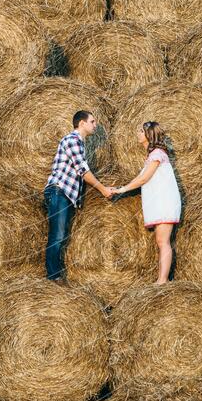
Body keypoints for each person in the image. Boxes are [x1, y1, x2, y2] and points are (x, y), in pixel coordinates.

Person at [44, 110, 116, 282]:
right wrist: (103, 189)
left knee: (61, 236)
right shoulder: (72, 140)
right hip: (59, 191)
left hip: (65, 194)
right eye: (92, 121)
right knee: (58, 235)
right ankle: (53, 277)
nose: (95, 125)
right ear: (82, 123)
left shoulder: (80, 143)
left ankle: (56, 275)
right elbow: (82, 171)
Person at [114, 121, 181, 285]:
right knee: (161, 241)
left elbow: (144, 178)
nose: (138, 134)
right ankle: (161, 278)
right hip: (161, 203)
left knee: (163, 242)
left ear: (149, 135)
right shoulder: (153, 155)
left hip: (165, 203)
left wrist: (123, 189)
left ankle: (163, 280)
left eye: (140, 131)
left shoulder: (157, 153)